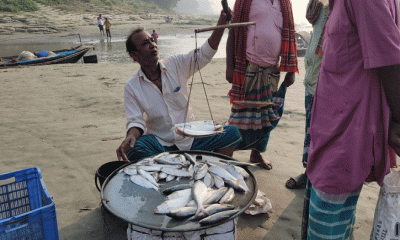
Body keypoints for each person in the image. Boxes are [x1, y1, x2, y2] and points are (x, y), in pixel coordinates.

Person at [302, 0, 400, 239]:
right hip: (329, 137)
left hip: (343, 145)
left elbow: (390, 63)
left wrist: (397, 120)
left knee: (326, 228)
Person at [116, 11, 242, 163]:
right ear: (135, 55)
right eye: (145, 43)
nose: (152, 45)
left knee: (232, 133)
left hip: (192, 138)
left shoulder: (176, 64)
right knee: (134, 149)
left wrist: (222, 23)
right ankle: (182, 162)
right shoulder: (132, 86)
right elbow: (135, 120)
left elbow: (205, 54)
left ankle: (194, 163)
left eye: (152, 40)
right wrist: (131, 135)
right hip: (162, 143)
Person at [226, 0, 298, 170]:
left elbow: (290, 34)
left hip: (272, 71)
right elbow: (233, 31)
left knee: (266, 116)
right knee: (240, 113)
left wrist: (291, 70)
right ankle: (228, 153)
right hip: (248, 66)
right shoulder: (244, 1)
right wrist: (229, 66)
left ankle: (257, 153)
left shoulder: (285, 3)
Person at [285, 0, 329, 189]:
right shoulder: (319, 7)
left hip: (327, 81)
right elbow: (312, 20)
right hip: (311, 79)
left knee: (322, 132)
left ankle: (318, 175)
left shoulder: (340, 6)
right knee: (310, 130)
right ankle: (309, 171)